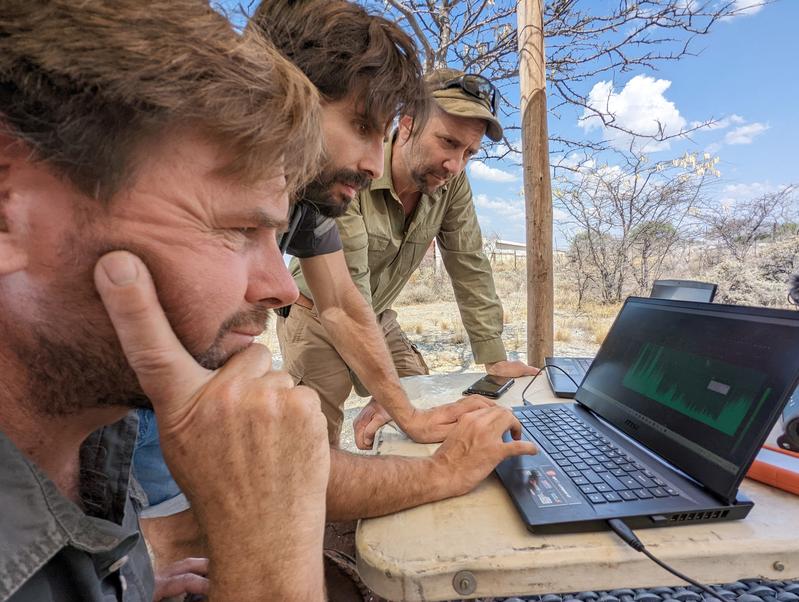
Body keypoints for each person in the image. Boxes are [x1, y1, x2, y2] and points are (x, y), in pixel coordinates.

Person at [129, 4, 538, 594]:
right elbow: (335, 306)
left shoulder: (318, 196)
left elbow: (370, 294)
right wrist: (147, 546)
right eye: (364, 127)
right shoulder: (207, 162)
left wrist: (413, 409)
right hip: (175, 405)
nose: (279, 286)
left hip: (355, 322)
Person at [0, 1, 332, 600]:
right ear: (8, 212)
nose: (283, 288)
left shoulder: (103, 430)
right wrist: (268, 572)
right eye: (236, 230)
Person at [280, 66, 539, 450]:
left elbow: (469, 263)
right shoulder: (355, 167)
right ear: (407, 123)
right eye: (448, 142)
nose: (456, 165)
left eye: (469, 153)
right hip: (316, 313)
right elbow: (346, 295)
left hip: (377, 314)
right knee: (316, 442)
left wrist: (494, 357)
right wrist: (392, 398)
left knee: (425, 396)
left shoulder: (453, 184)